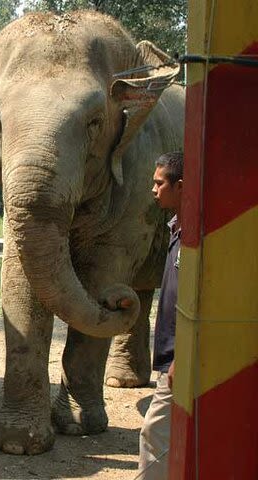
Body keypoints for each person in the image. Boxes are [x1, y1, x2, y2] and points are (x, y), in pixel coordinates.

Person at [138, 151, 183, 479]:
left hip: (178, 360)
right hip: (171, 355)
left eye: (159, 183)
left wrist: (181, 357)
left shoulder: (195, 236)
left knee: (154, 433)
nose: (153, 189)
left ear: (180, 186)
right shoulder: (176, 229)